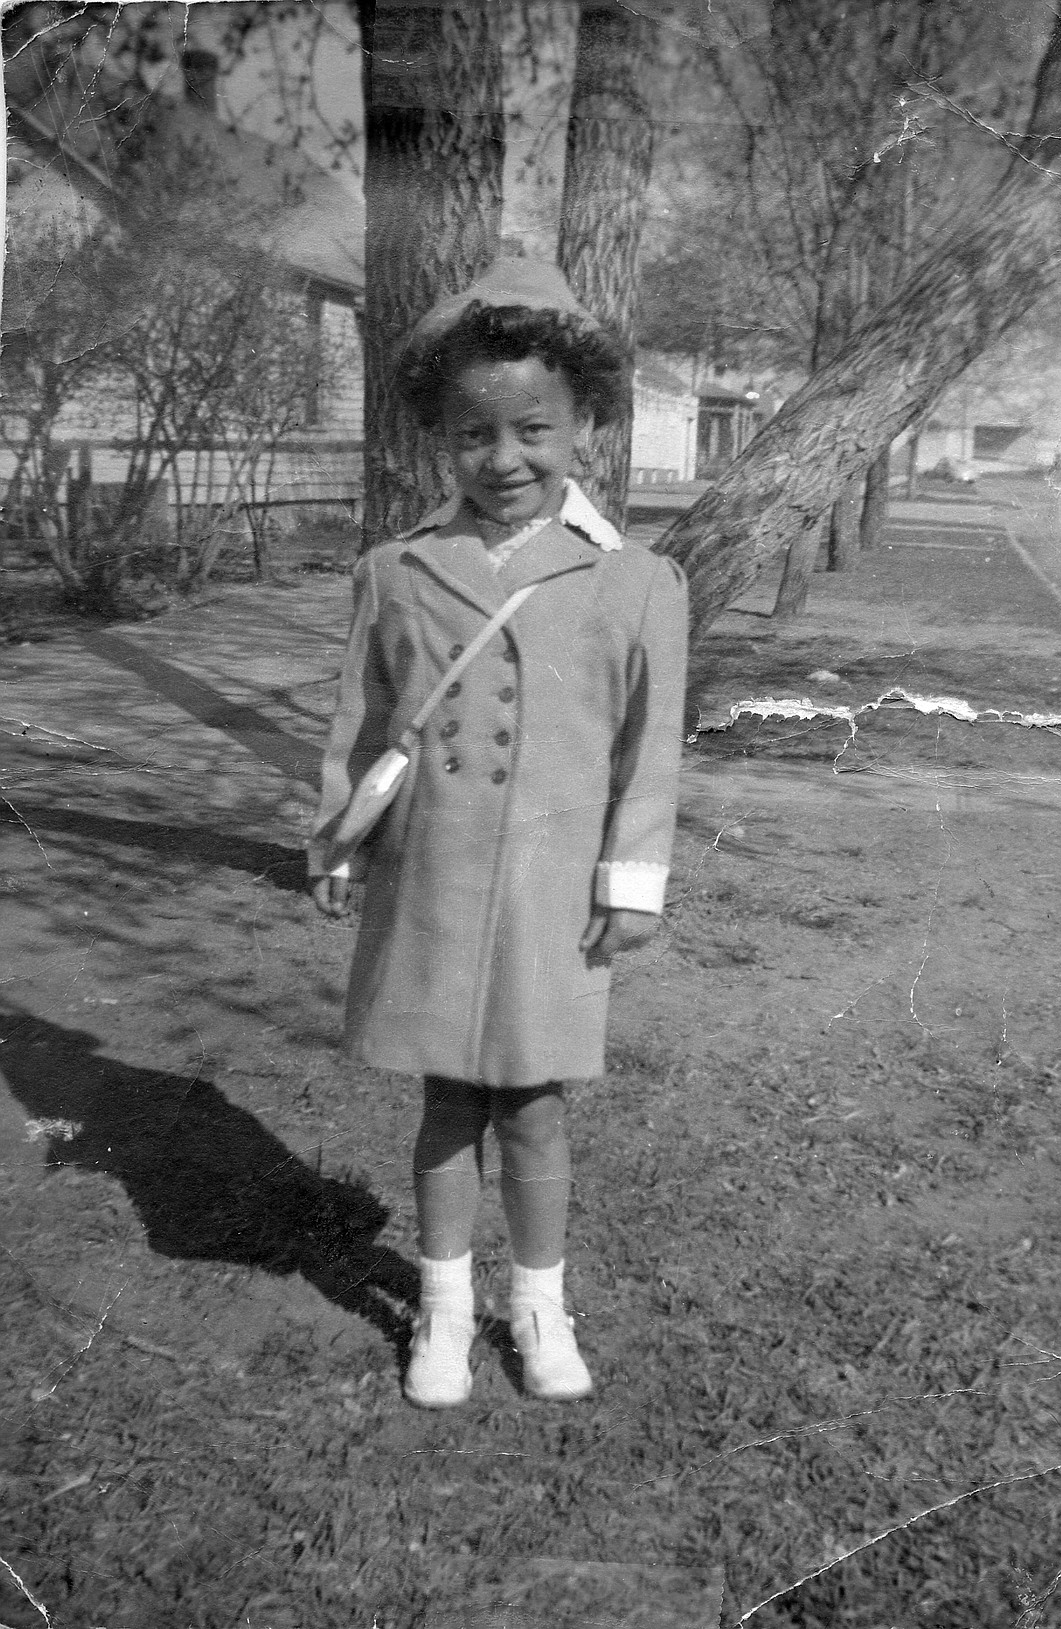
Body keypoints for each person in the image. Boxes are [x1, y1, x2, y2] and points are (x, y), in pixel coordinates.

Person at [307, 260, 688, 1409]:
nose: (505, 459)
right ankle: (441, 1309)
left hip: (552, 894)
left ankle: (538, 1306)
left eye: (535, 429)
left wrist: (631, 885)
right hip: (432, 880)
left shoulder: (635, 582)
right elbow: (360, 720)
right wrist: (334, 839)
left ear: (586, 428)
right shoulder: (397, 570)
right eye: (474, 434)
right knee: (443, 1102)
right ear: (440, 438)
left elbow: (648, 750)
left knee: (533, 1106)